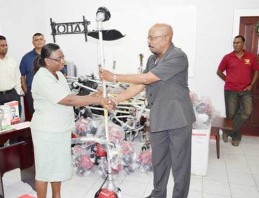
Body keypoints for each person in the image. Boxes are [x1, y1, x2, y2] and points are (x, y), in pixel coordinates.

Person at [100, 23, 196, 198]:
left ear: (167, 38)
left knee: (180, 164)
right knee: (159, 161)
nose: (149, 41)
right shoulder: (152, 59)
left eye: (153, 38)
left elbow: (147, 77)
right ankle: (158, 194)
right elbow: (141, 84)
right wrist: (117, 99)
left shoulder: (178, 56)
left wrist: (113, 77)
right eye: (148, 37)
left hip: (178, 119)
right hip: (159, 117)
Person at [30, 43, 110, 198]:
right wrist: (97, 100)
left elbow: (71, 96)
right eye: (58, 59)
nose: (63, 61)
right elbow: (67, 100)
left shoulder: (59, 75)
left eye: (63, 57)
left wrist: (93, 97)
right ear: (47, 60)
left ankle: (57, 196)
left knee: (57, 168)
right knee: (45, 170)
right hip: (47, 131)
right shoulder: (42, 77)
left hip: (60, 129)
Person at [217, 35, 259, 147]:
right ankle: (236, 136)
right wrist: (229, 80)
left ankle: (227, 131)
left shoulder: (251, 57)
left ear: (243, 44)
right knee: (231, 115)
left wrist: (251, 85)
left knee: (247, 111)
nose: (235, 44)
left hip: (246, 90)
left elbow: (256, 71)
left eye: (238, 42)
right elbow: (219, 71)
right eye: (234, 43)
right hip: (230, 90)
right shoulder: (227, 57)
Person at [19, 33, 46, 116]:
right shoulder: (26, 58)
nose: (39, 41)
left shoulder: (51, 55)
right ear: (33, 42)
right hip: (32, 92)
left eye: (41, 39)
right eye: (36, 40)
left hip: (49, 91)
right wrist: (26, 91)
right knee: (35, 116)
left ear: (44, 41)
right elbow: (22, 75)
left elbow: (62, 72)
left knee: (49, 115)